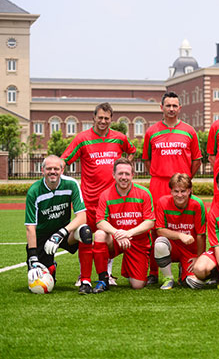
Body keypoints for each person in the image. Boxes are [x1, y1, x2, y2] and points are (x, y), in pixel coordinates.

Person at [61, 102, 136, 293]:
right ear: (93, 117)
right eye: (100, 117)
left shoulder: (119, 138)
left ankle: (107, 273)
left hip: (112, 201)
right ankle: (83, 274)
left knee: (107, 236)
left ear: (111, 119)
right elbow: (64, 160)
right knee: (84, 236)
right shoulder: (82, 138)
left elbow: (132, 151)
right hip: (88, 199)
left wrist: (124, 168)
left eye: (107, 118)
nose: (103, 121)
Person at [143, 91, 202, 283]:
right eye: (167, 105)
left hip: (181, 186)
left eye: (174, 106)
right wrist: (160, 173)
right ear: (161, 108)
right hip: (159, 183)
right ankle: (153, 271)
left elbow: (196, 160)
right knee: (155, 228)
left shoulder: (189, 130)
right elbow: (147, 160)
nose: (171, 109)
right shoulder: (151, 131)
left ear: (180, 108)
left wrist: (184, 180)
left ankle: (186, 264)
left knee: (186, 225)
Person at [24, 155, 91, 292]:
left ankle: (85, 280)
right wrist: (33, 256)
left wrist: (60, 233)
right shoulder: (34, 191)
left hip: (64, 232)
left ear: (62, 170)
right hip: (42, 235)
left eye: (56, 168)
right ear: (42, 170)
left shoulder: (71, 184)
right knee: (40, 287)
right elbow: (30, 227)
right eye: (49, 168)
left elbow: (82, 217)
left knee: (85, 231)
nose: (52, 171)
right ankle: (50, 265)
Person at [92, 158, 155, 293]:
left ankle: (129, 265)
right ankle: (103, 279)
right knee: (99, 234)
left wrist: (129, 233)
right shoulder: (106, 195)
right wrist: (117, 233)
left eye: (127, 174)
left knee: (137, 285)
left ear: (133, 175)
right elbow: (100, 221)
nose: (124, 177)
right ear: (114, 175)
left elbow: (150, 221)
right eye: (120, 174)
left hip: (137, 241)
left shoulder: (144, 193)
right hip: (116, 238)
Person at [154, 173, 207, 290]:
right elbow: (159, 230)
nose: (179, 195)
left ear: (189, 191)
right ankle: (168, 278)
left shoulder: (198, 204)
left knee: (194, 283)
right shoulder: (162, 202)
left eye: (183, 191)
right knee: (159, 243)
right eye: (176, 191)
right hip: (173, 247)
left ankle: (183, 270)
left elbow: (201, 235)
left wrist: (199, 257)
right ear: (171, 191)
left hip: (190, 251)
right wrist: (179, 235)